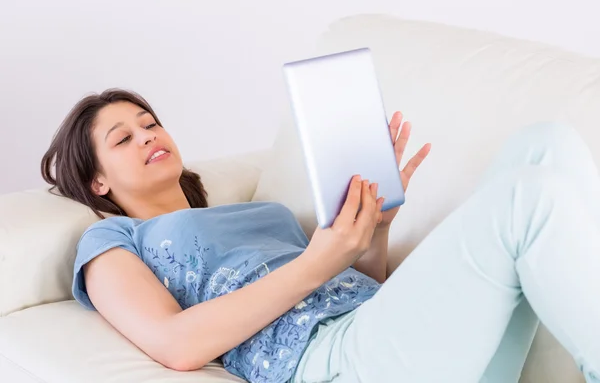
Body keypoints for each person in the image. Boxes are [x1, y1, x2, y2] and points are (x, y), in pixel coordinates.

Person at [41, 88, 599, 383]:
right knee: (525, 196)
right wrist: (318, 260)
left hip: (394, 339)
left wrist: (375, 229)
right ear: (97, 179)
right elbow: (176, 345)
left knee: (546, 143)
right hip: (331, 363)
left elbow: (360, 284)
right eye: (122, 138)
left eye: (150, 122)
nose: (147, 135)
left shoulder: (266, 212)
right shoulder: (114, 239)